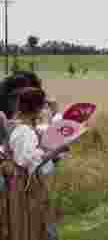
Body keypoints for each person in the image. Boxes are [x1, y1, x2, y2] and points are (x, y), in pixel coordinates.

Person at [9, 87, 68, 240]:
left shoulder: (23, 128)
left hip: (27, 186)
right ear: (37, 108)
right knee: (36, 228)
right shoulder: (24, 132)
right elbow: (29, 163)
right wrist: (56, 151)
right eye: (43, 106)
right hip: (27, 189)